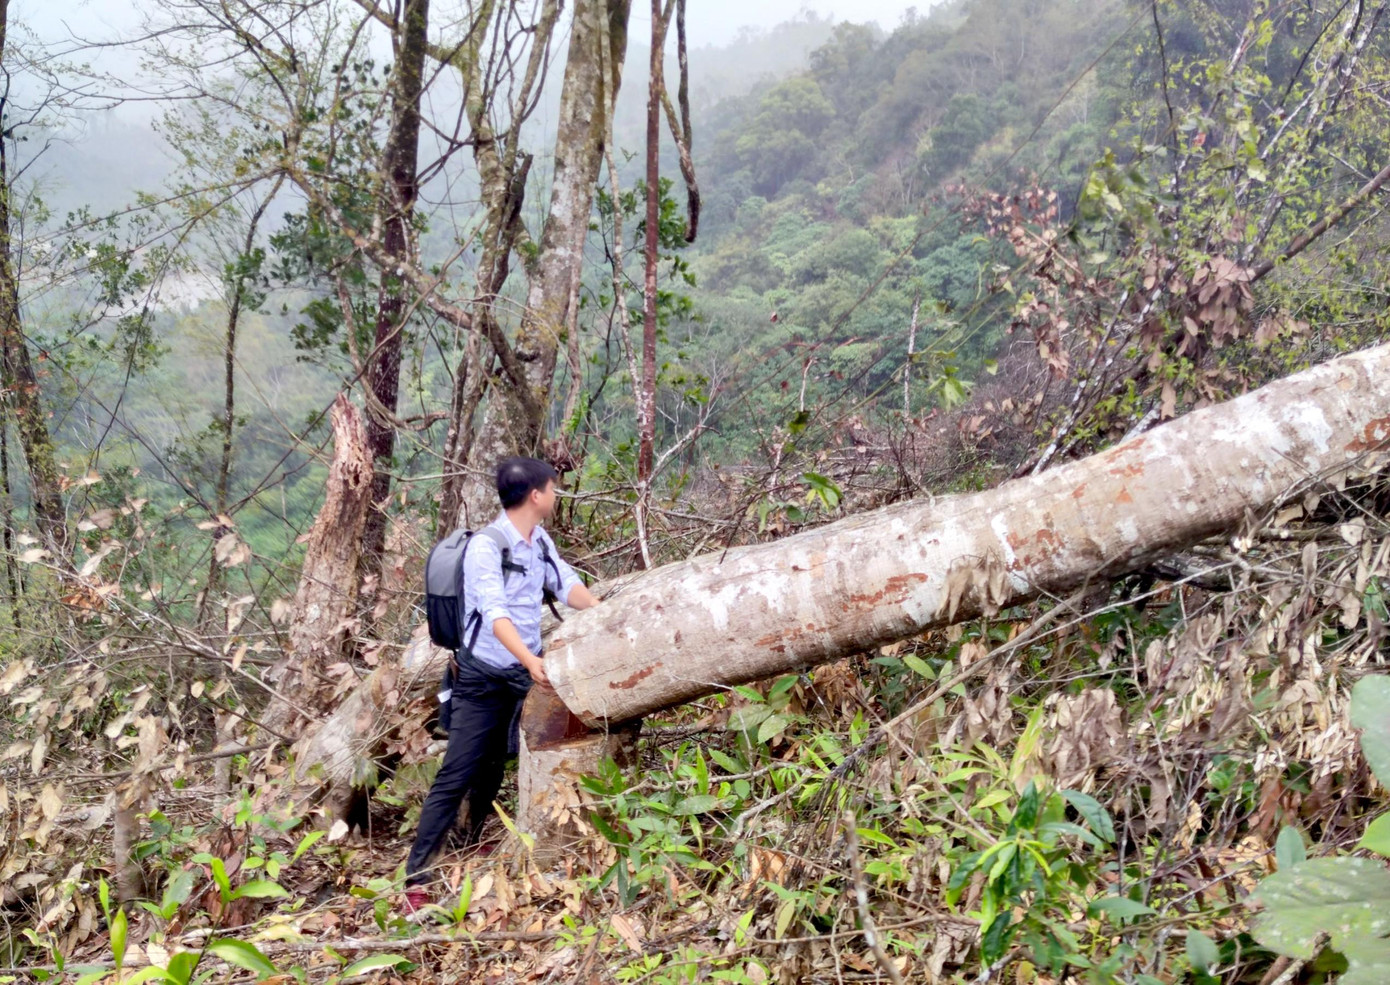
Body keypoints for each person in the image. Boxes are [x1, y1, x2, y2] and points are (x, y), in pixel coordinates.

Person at [402, 457, 597, 914]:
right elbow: (494, 613)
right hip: (485, 676)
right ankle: (416, 878)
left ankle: (470, 841)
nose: (556, 494)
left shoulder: (538, 539)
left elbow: (563, 580)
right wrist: (531, 660)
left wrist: (599, 608)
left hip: (524, 671)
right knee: (457, 771)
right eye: (553, 487)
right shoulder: (486, 548)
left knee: (494, 763)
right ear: (536, 495)